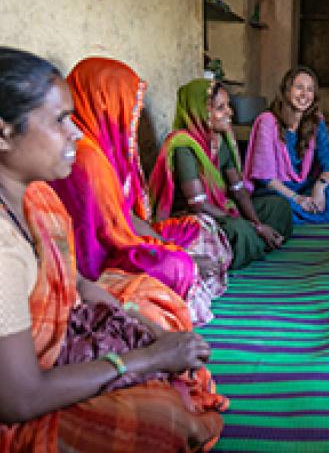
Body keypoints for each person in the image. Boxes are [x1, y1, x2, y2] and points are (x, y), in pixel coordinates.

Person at [0, 47, 226, 452]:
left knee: (154, 310)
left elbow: (79, 284)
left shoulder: (38, 203)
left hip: (56, 351)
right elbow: (20, 399)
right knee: (161, 421)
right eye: (59, 120)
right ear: (3, 132)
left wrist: (142, 330)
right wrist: (147, 359)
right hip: (21, 401)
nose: (76, 132)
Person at [50, 58, 232, 324]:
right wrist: (182, 257)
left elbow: (125, 217)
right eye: (128, 105)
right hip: (100, 262)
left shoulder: (113, 149)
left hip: (123, 237)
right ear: (105, 102)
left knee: (200, 228)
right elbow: (112, 237)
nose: (134, 114)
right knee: (177, 267)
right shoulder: (87, 159)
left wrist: (167, 245)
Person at [148, 78, 293, 270]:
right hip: (197, 216)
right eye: (220, 108)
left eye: (228, 106)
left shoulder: (220, 139)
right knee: (240, 231)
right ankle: (254, 243)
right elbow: (198, 204)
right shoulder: (183, 145)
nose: (229, 112)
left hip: (222, 206)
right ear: (199, 111)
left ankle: (256, 241)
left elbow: (239, 190)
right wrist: (251, 226)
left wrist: (256, 222)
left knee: (278, 207)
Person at [243, 66, 329, 223]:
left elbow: (328, 164)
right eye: (299, 88)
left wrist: (319, 189)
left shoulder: (316, 120)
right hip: (277, 191)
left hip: (304, 187)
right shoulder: (267, 121)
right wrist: (297, 199)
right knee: (278, 206)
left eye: (310, 89)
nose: (305, 94)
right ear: (287, 90)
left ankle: (301, 215)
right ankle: (307, 214)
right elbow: (266, 179)